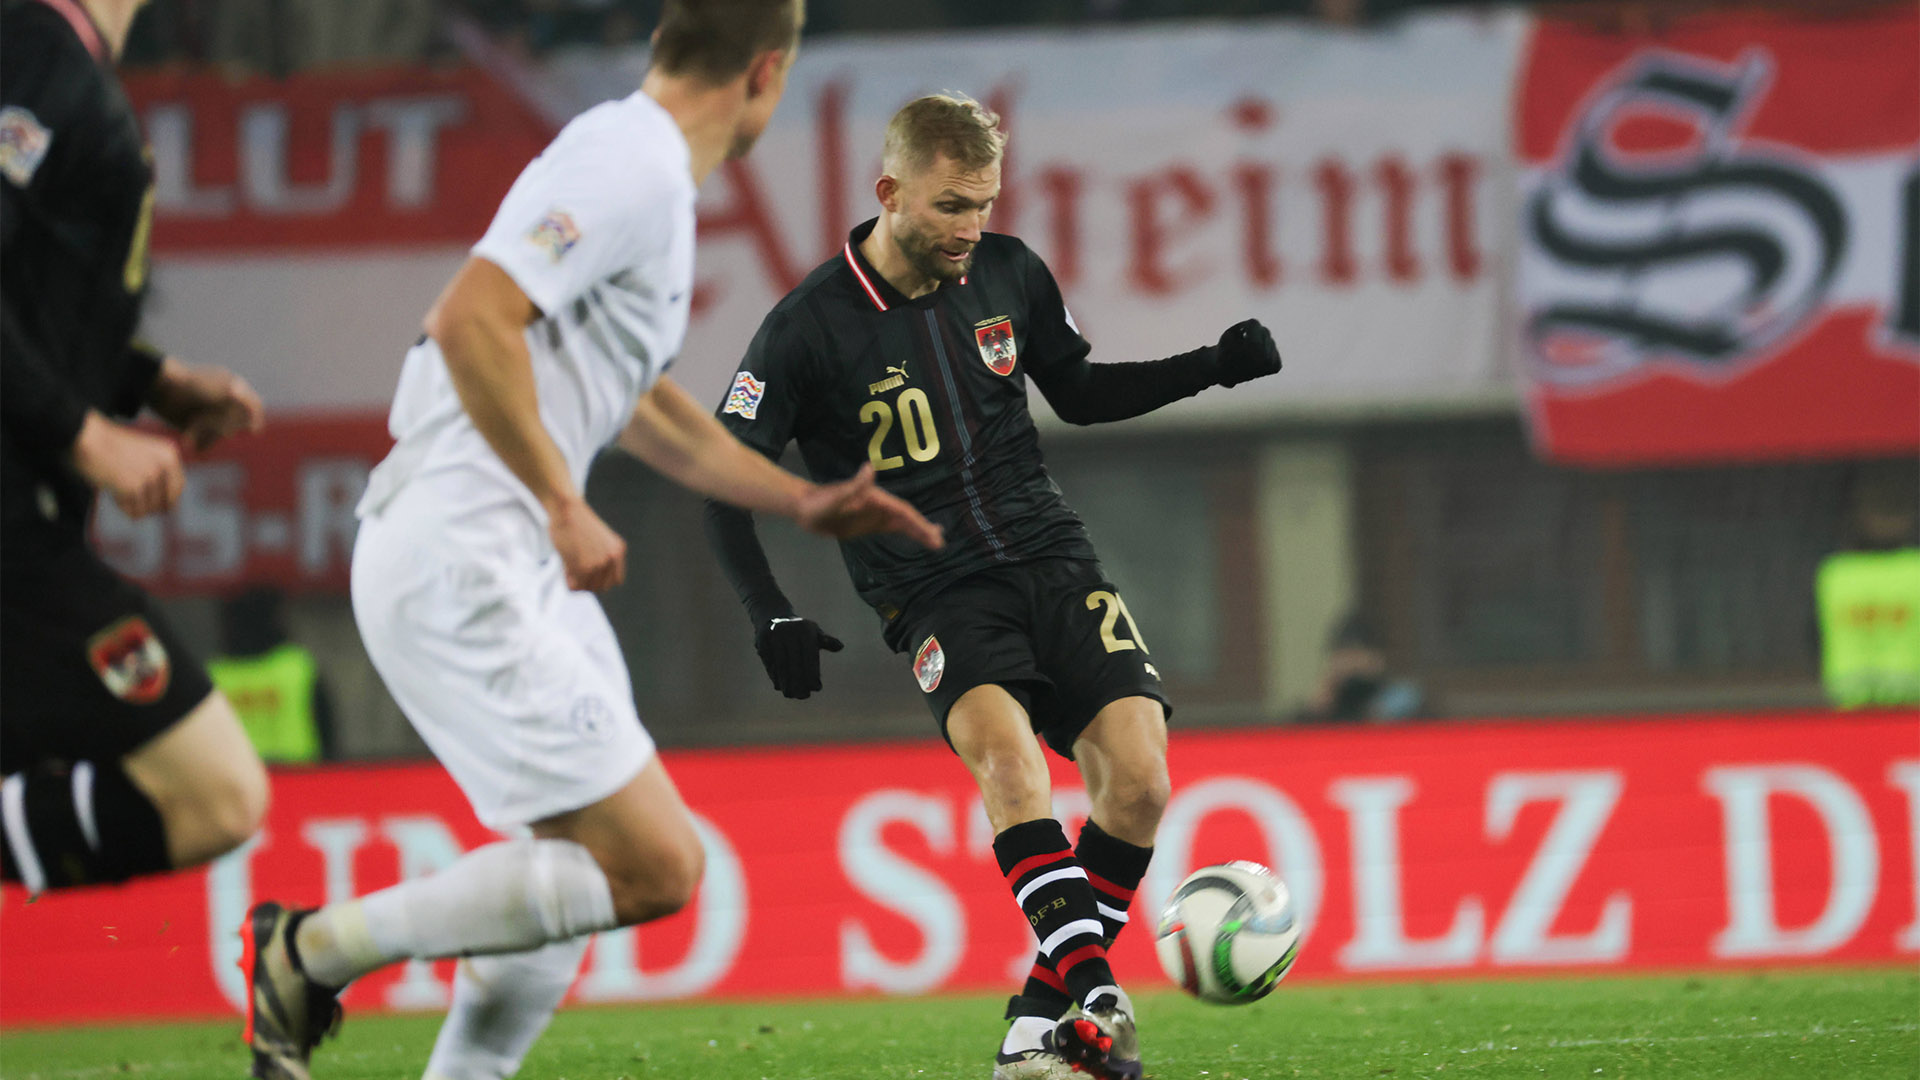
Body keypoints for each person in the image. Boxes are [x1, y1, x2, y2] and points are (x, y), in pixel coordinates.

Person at [239, 4, 942, 1079]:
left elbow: (639, 401)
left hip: (500, 550)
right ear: (769, 73)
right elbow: (473, 317)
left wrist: (794, 500)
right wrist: (560, 502)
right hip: (462, 544)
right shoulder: (634, 165)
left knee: (570, 876)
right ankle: (310, 952)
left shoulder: (639, 169)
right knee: (657, 864)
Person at [703, 93, 1283, 1080]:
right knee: (1013, 770)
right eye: (951, 206)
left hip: (1050, 553)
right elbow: (725, 474)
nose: (972, 227)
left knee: (1141, 783)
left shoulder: (1010, 271)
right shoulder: (808, 328)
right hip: (932, 588)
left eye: (983, 203)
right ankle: (1100, 1005)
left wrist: (1213, 367)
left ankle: (1035, 1027)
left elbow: (1082, 393)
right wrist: (771, 611)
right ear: (889, 194)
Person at [1, 0, 270, 899]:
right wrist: (86, 436)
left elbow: (33, 306)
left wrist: (150, 383)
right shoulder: (28, 44)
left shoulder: (61, 57)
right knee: (214, 793)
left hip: (30, 516)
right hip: (11, 529)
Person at [208, 587, 335, 763]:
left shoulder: (213, 677)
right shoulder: (298, 668)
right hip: (301, 780)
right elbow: (329, 736)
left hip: (236, 785)